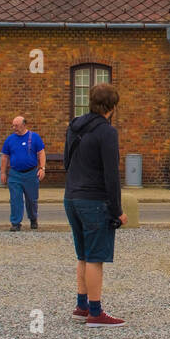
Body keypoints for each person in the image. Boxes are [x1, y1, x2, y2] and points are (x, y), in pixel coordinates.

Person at [63, 82, 127, 326]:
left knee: (82, 254)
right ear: (112, 106)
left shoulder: (74, 126)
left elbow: (67, 161)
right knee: (95, 258)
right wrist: (117, 210)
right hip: (94, 199)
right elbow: (111, 174)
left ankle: (81, 305)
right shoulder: (107, 132)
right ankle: (95, 312)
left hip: (71, 196)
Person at [0, 114, 46, 232]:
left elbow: (41, 153)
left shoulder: (34, 137)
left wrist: (42, 168)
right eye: (13, 125)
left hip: (31, 174)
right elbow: (5, 157)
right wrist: (3, 172)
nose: (14, 128)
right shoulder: (10, 139)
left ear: (24, 125)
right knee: (15, 199)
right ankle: (15, 223)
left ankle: (33, 218)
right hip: (15, 174)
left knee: (32, 199)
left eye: (17, 125)